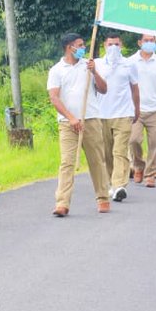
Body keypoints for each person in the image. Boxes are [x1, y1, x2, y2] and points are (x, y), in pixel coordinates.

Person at [47, 32, 109, 217]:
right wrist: (71, 118)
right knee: (67, 162)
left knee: (96, 160)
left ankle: (103, 197)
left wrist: (94, 71)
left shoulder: (88, 66)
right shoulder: (56, 70)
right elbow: (54, 98)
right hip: (67, 123)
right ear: (69, 47)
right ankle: (62, 203)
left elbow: (104, 89)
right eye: (80, 45)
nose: (83, 48)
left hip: (90, 118)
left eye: (83, 45)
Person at [83, 30, 140, 205]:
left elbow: (135, 88)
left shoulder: (129, 64)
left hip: (123, 113)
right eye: (110, 44)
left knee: (119, 151)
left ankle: (119, 186)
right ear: (104, 46)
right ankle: (110, 181)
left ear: (121, 45)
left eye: (117, 44)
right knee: (107, 152)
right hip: (102, 113)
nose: (114, 47)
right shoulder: (97, 64)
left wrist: (137, 109)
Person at [129, 34, 156, 188]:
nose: (150, 43)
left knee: (155, 143)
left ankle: (150, 174)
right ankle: (138, 166)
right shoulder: (131, 62)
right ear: (140, 42)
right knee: (134, 140)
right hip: (136, 109)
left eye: (152, 41)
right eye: (146, 40)